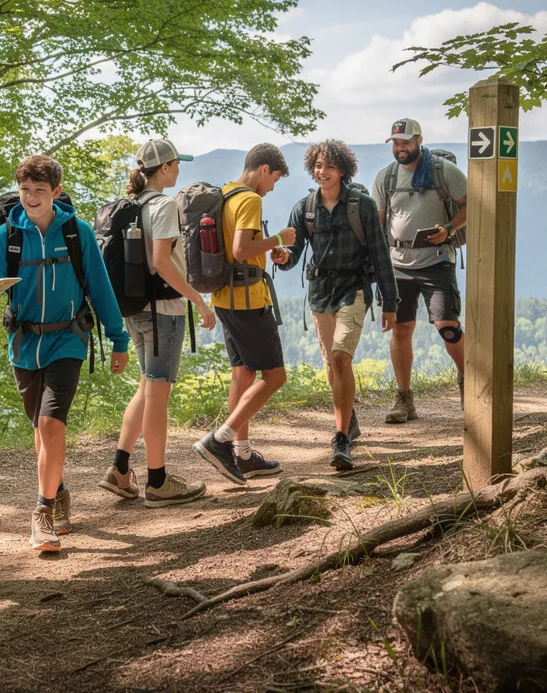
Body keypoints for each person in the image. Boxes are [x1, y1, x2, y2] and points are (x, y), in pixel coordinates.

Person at [0, 154, 129, 552]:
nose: (30, 198)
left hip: (68, 340)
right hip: (24, 345)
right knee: (39, 428)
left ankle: (41, 512)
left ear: (56, 192)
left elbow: (100, 286)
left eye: (39, 191)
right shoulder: (5, 236)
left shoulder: (77, 233)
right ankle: (57, 490)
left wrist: (119, 338)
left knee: (50, 424)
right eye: (24, 191)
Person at [99, 139, 215, 507]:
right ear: (163, 168)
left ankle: (119, 470)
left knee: (148, 387)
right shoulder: (163, 204)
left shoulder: (133, 205)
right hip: (163, 311)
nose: (179, 170)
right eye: (176, 164)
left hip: (134, 309)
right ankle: (158, 481)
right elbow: (161, 261)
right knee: (158, 394)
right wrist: (197, 299)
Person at [280, 140, 397, 470]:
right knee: (332, 366)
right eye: (318, 166)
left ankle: (341, 439)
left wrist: (390, 301)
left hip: (353, 291)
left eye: (329, 166)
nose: (322, 172)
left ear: (343, 170)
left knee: (340, 357)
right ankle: (350, 418)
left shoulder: (362, 206)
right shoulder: (305, 208)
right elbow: (294, 255)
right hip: (319, 294)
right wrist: (281, 257)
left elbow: (380, 254)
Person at [192, 143, 294, 484]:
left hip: (224, 296)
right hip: (248, 300)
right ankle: (219, 441)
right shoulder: (250, 199)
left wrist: (270, 249)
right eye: (275, 179)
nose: (273, 187)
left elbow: (237, 249)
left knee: (243, 374)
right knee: (275, 377)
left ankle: (243, 454)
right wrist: (279, 237)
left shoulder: (226, 195)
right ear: (263, 169)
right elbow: (240, 249)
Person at [371, 118, 468, 424]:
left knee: (448, 327)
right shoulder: (386, 178)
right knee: (401, 329)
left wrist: (450, 228)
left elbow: (471, 203)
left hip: (436, 260)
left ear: (419, 140)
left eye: (405, 142)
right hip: (397, 263)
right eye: (396, 143)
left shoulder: (443, 171)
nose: (400, 148)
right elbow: (378, 221)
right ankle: (404, 399)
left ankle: (469, 381)